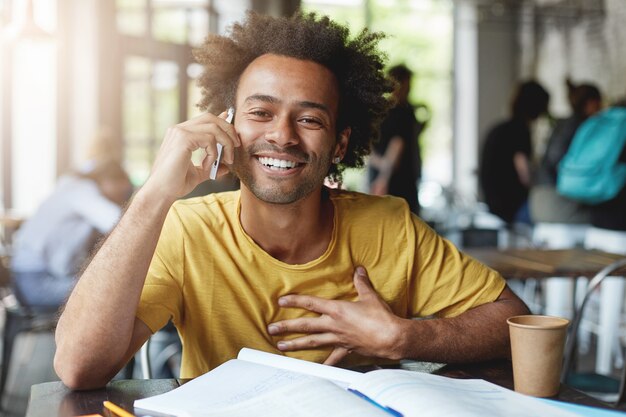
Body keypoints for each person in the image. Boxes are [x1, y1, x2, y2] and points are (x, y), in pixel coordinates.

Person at [54, 11, 529, 390]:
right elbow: (79, 369)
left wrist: (406, 336)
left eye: (309, 120)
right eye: (260, 112)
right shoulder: (186, 228)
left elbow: (516, 322)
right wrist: (155, 192)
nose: (282, 136)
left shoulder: (389, 226)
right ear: (227, 126)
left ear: (340, 146)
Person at [10, 160, 132, 308]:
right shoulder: (81, 190)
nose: (123, 197)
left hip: (32, 278)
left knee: (111, 285)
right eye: (123, 191)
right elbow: (119, 224)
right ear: (109, 181)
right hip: (36, 283)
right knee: (114, 290)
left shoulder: (72, 189)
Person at [530, 80, 602, 223]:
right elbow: (558, 160)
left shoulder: (562, 124)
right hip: (556, 201)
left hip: (536, 200)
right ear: (591, 103)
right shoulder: (583, 127)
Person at [479, 81, 550, 224]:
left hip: (492, 204)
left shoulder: (499, 128)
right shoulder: (520, 130)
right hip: (511, 208)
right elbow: (524, 174)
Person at [369, 64, 425, 214]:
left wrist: (380, 166)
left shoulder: (377, 111)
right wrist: (383, 178)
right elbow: (397, 145)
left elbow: (367, 149)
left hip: (379, 179)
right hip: (396, 184)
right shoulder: (403, 113)